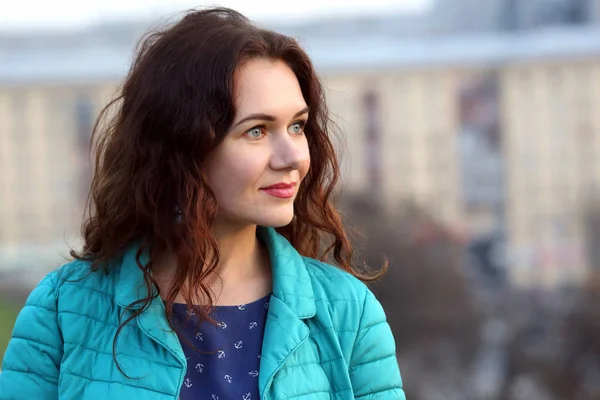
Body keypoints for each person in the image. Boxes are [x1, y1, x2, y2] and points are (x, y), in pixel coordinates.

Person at [0, 7, 405, 400]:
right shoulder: (64, 310)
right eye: (257, 131)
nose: (293, 157)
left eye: (297, 126)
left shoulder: (348, 313)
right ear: (182, 146)